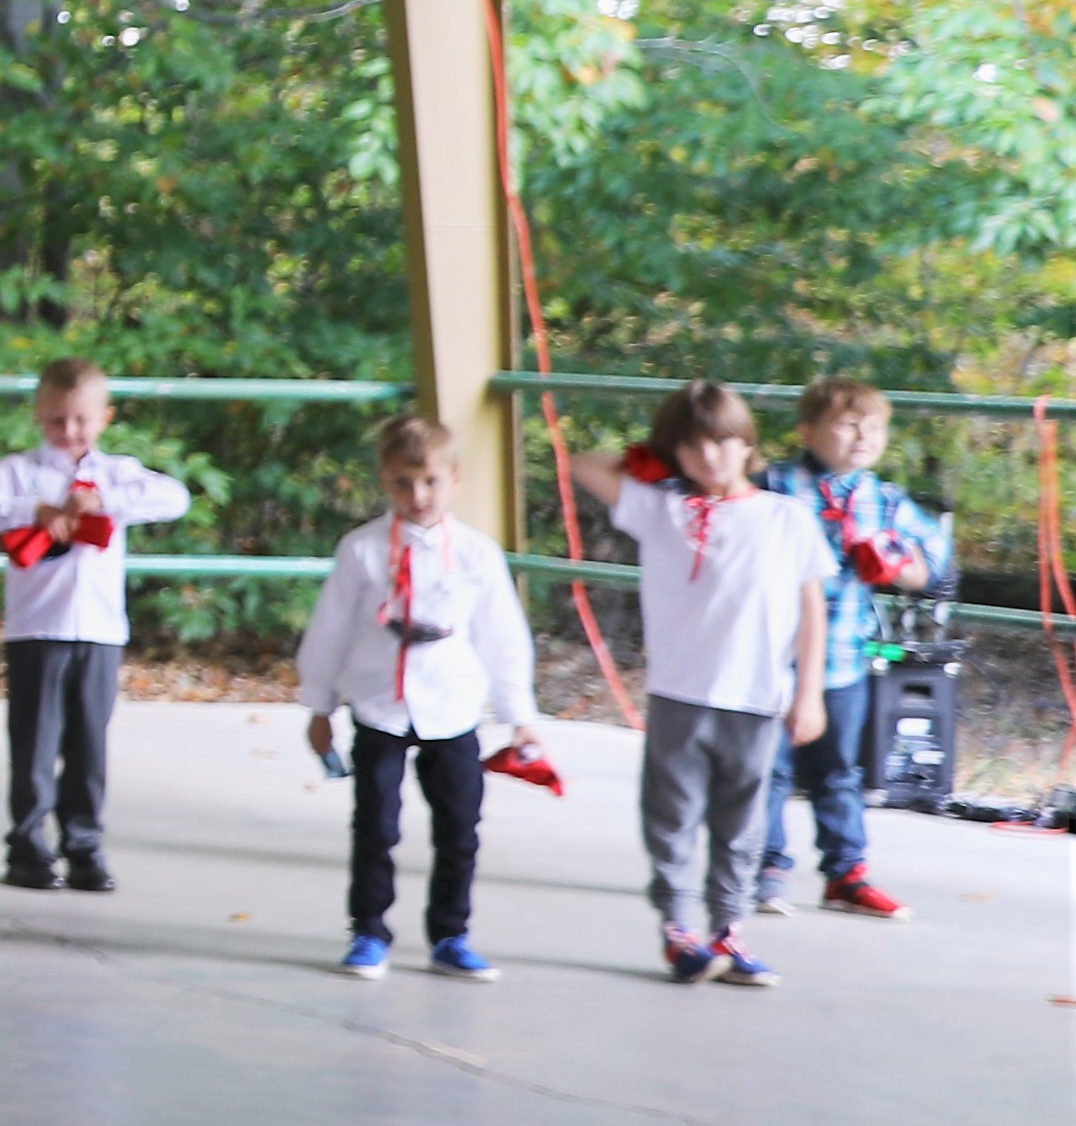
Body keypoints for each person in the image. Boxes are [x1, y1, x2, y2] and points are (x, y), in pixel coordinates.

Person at [595, 382, 825, 987]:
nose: (709, 457)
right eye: (692, 446)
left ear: (747, 444)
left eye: (722, 442)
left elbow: (811, 610)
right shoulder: (662, 510)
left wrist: (809, 693)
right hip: (681, 691)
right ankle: (677, 927)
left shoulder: (785, 517)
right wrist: (646, 462)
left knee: (741, 821)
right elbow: (584, 466)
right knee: (670, 816)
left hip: (756, 694)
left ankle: (730, 927)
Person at [293, 416, 539, 979]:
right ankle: (368, 931)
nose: (418, 495)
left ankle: (451, 934)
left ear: (455, 479)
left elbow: (502, 635)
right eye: (402, 482)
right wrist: (320, 705)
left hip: (452, 707)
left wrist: (519, 716)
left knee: (460, 826)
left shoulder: (476, 554)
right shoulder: (361, 550)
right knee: (375, 825)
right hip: (379, 703)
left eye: (430, 481)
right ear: (384, 480)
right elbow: (330, 630)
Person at [0, 359, 186, 893]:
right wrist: (31, 510)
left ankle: (85, 846)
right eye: (57, 419)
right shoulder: (19, 472)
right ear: (38, 414)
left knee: (89, 746)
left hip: (100, 631)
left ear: (104, 418)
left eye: (81, 419)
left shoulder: (117, 473)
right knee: (34, 745)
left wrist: (105, 500)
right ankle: (28, 848)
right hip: (37, 630)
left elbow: (175, 498)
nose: (69, 431)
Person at [760, 378, 951, 921]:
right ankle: (763, 869)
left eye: (874, 427)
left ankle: (846, 874)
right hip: (772, 656)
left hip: (843, 657)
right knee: (768, 769)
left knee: (840, 770)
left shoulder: (883, 500)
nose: (863, 436)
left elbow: (934, 563)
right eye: (847, 425)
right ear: (807, 432)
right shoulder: (773, 485)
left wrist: (898, 565)